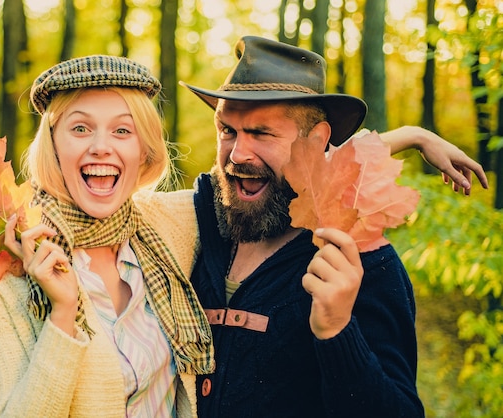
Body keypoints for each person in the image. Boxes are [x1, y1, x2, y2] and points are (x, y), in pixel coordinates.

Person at [134, 35, 487, 418]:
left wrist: (337, 331)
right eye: (227, 130)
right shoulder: (202, 219)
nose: (237, 154)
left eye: (261, 133)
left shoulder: (363, 261)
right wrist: (412, 136)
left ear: (317, 141)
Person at [0, 55, 214, 417]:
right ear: (53, 144)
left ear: (144, 151)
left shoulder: (169, 224)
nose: (101, 146)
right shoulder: (3, 266)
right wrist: (63, 315)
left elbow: (256, 194)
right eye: (80, 128)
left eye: (122, 131)